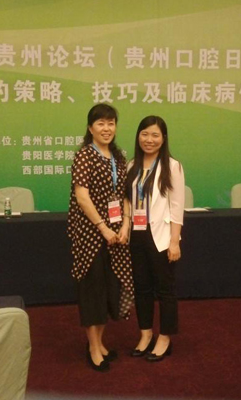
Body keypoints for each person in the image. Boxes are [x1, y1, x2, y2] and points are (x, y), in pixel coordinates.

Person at [67, 103, 134, 372]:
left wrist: (126, 224)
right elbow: (82, 197)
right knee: (93, 292)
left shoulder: (118, 156)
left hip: (116, 235)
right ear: (90, 128)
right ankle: (93, 348)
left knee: (109, 291)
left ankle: (101, 342)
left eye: (111, 123)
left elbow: (125, 194)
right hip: (91, 236)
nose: (107, 128)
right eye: (101, 123)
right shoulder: (84, 155)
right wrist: (103, 228)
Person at [124, 115, 185, 362]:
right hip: (136, 234)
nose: (149, 140)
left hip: (160, 236)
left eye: (155, 135)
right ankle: (145, 334)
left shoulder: (172, 166)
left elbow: (177, 206)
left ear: (163, 138)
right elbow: (128, 201)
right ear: (138, 136)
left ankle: (165, 338)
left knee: (165, 290)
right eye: (145, 134)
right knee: (142, 288)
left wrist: (174, 241)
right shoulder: (132, 165)